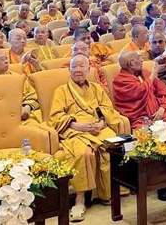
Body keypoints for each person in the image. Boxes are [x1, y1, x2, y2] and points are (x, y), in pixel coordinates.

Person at [50, 55, 123, 221]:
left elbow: (107, 109)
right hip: (74, 130)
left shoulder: (96, 88)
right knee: (83, 153)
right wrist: (77, 125)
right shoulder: (61, 91)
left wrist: (102, 123)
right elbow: (55, 116)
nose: (78, 70)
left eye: (82, 66)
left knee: (112, 146)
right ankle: (79, 199)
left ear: (88, 70)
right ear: (69, 70)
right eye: (74, 67)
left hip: (97, 128)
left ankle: (107, 193)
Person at [112, 50, 166, 131]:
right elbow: (141, 90)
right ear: (131, 64)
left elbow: (162, 92)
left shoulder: (145, 73)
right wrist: (154, 73)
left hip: (160, 112)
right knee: (144, 134)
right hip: (140, 118)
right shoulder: (120, 81)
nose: (142, 60)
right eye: (138, 58)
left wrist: (162, 108)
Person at [0, 49, 43, 127]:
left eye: (6, 58)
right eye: (2, 59)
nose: (6, 61)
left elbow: (32, 95)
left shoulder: (17, 78)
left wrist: (27, 107)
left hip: (23, 116)